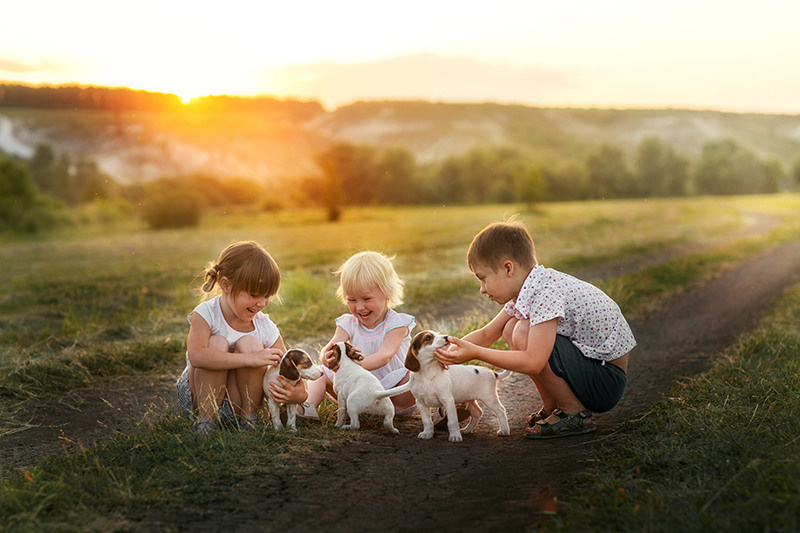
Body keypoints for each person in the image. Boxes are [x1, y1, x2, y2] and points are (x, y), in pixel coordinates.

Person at [435, 219, 636, 438]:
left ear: (508, 268)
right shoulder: (529, 287)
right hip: (591, 371)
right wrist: (445, 351)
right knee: (509, 327)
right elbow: (486, 334)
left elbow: (534, 361)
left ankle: (573, 412)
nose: (482, 289)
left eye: (482, 279)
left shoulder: (545, 292)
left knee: (521, 331)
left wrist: (475, 353)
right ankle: (553, 406)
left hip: (606, 381)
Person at [176, 241, 307, 435]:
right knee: (217, 342)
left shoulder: (264, 326)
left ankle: (249, 420)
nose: (262, 303)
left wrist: (301, 392)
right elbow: (197, 356)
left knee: (251, 343)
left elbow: (288, 364)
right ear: (226, 285)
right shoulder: (206, 314)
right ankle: (205, 423)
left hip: (239, 403)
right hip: (200, 399)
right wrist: (251, 359)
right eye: (254, 295)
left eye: (267, 295)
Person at [302, 251, 417, 418]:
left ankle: (440, 407)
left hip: (392, 392)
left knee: (414, 374)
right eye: (352, 300)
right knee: (319, 374)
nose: (360, 307)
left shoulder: (397, 324)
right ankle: (307, 409)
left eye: (366, 299)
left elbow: (385, 355)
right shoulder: (348, 323)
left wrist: (355, 366)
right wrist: (326, 357)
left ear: (387, 293)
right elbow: (332, 346)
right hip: (356, 391)